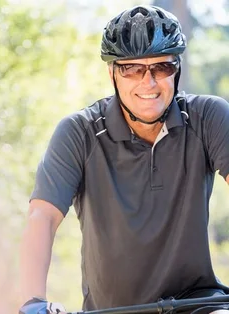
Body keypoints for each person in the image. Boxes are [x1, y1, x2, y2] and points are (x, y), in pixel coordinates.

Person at [19, 4, 229, 314]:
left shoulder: (207, 118)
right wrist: (32, 300)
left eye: (162, 67)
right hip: (112, 310)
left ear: (177, 69)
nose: (149, 82)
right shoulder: (80, 133)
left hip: (197, 303)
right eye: (132, 69)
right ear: (112, 72)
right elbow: (43, 218)